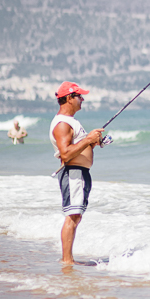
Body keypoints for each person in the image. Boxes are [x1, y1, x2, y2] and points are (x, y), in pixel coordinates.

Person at [50, 81, 105, 265]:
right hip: (73, 173)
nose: (82, 99)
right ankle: (67, 261)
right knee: (72, 216)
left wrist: (92, 142)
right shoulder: (62, 124)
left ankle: (68, 259)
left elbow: (75, 147)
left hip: (79, 173)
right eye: (79, 96)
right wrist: (88, 139)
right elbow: (65, 153)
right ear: (68, 98)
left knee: (76, 215)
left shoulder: (70, 122)